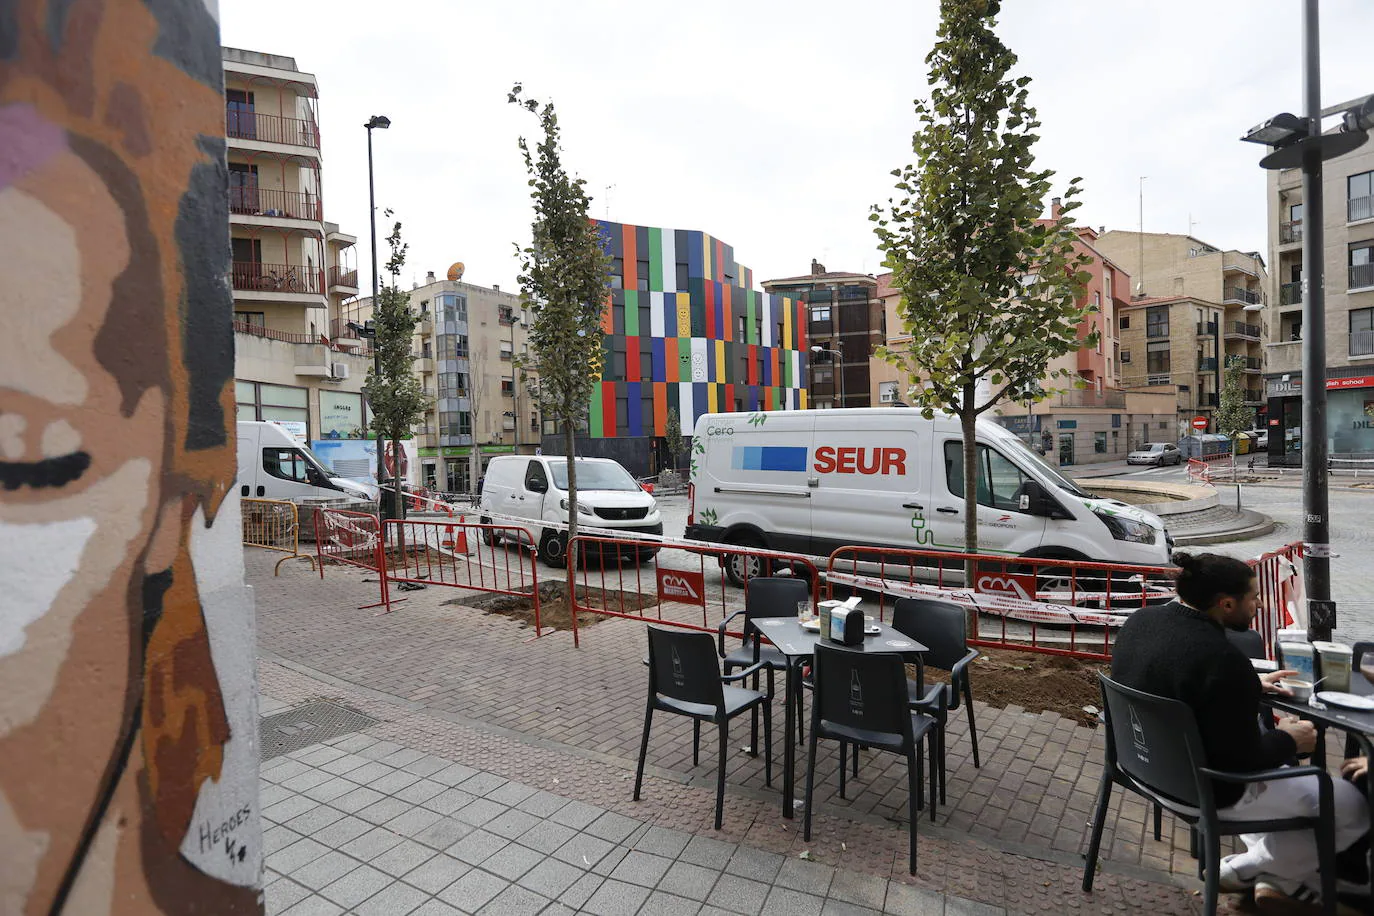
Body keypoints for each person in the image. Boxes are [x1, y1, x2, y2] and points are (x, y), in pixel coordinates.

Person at [1111, 552, 1368, 915]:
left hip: (1142, 770)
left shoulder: (1141, 621)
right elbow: (1241, 758)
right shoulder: (1220, 659)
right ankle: (1287, 881)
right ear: (1226, 603)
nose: (1260, 603)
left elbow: (1178, 678)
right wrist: (1291, 739)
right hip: (1207, 791)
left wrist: (1248, 684)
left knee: (1302, 800)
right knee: (1347, 802)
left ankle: (1251, 872)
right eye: (1253, 597)